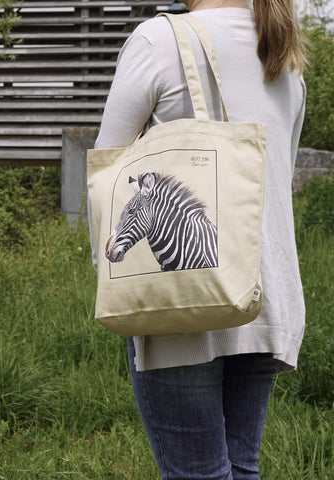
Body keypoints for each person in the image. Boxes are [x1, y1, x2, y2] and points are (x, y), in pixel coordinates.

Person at [93, 0, 307, 479]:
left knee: (198, 475)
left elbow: (106, 176)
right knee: (240, 469)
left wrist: (110, 276)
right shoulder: (283, 56)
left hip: (184, 302)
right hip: (264, 297)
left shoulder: (159, 40)